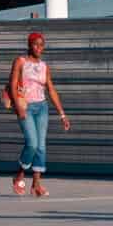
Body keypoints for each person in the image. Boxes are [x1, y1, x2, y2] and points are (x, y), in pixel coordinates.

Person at [6, 32, 68, 198]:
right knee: (32, 144)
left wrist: (62, 114)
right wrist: (18, 107)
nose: (39, 48)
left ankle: (36, 185)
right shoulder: (20, 61)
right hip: (25, 106)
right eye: (36, 44)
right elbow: (12, 84)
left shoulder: (44, 66)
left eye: (42, 45)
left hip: (42, 108)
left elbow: (51, 90)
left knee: (41, 147)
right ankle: (19, 175)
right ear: (29, 45)